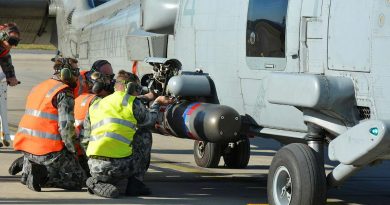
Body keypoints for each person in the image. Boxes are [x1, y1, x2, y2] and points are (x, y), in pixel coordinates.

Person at [84, 70, 173, 198]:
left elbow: (85, 139)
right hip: (123, 168)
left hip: (95, 166)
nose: (138, 91)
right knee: (144, 132)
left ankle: (97, 180)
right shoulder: (132, 103)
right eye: (137, 88)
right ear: (130, 87)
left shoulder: (96, 104)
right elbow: (149, 120)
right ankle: (136, 183)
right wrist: (157, 103)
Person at [12, 57, 86, 192]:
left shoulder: (39, 87)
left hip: (28, 148)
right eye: (75, 71)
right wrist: (75, 152)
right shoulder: (64, 92)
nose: (77, 76)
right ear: (66, 73)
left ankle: (27, 168)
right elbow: (66, 129)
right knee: (79, 179)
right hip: (47, 151)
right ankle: (43, 177)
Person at [74, 60, 115, 176]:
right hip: (81, 149)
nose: (109, 80)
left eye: (111, 76)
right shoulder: (77, 83)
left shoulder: (81, 98)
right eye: (106, 77)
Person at [0, 22, 21, 147]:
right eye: (12, 41)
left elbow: (6, 61)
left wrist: (11, 77)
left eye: (16, 42)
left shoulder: (3, 49)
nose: (13, 45)